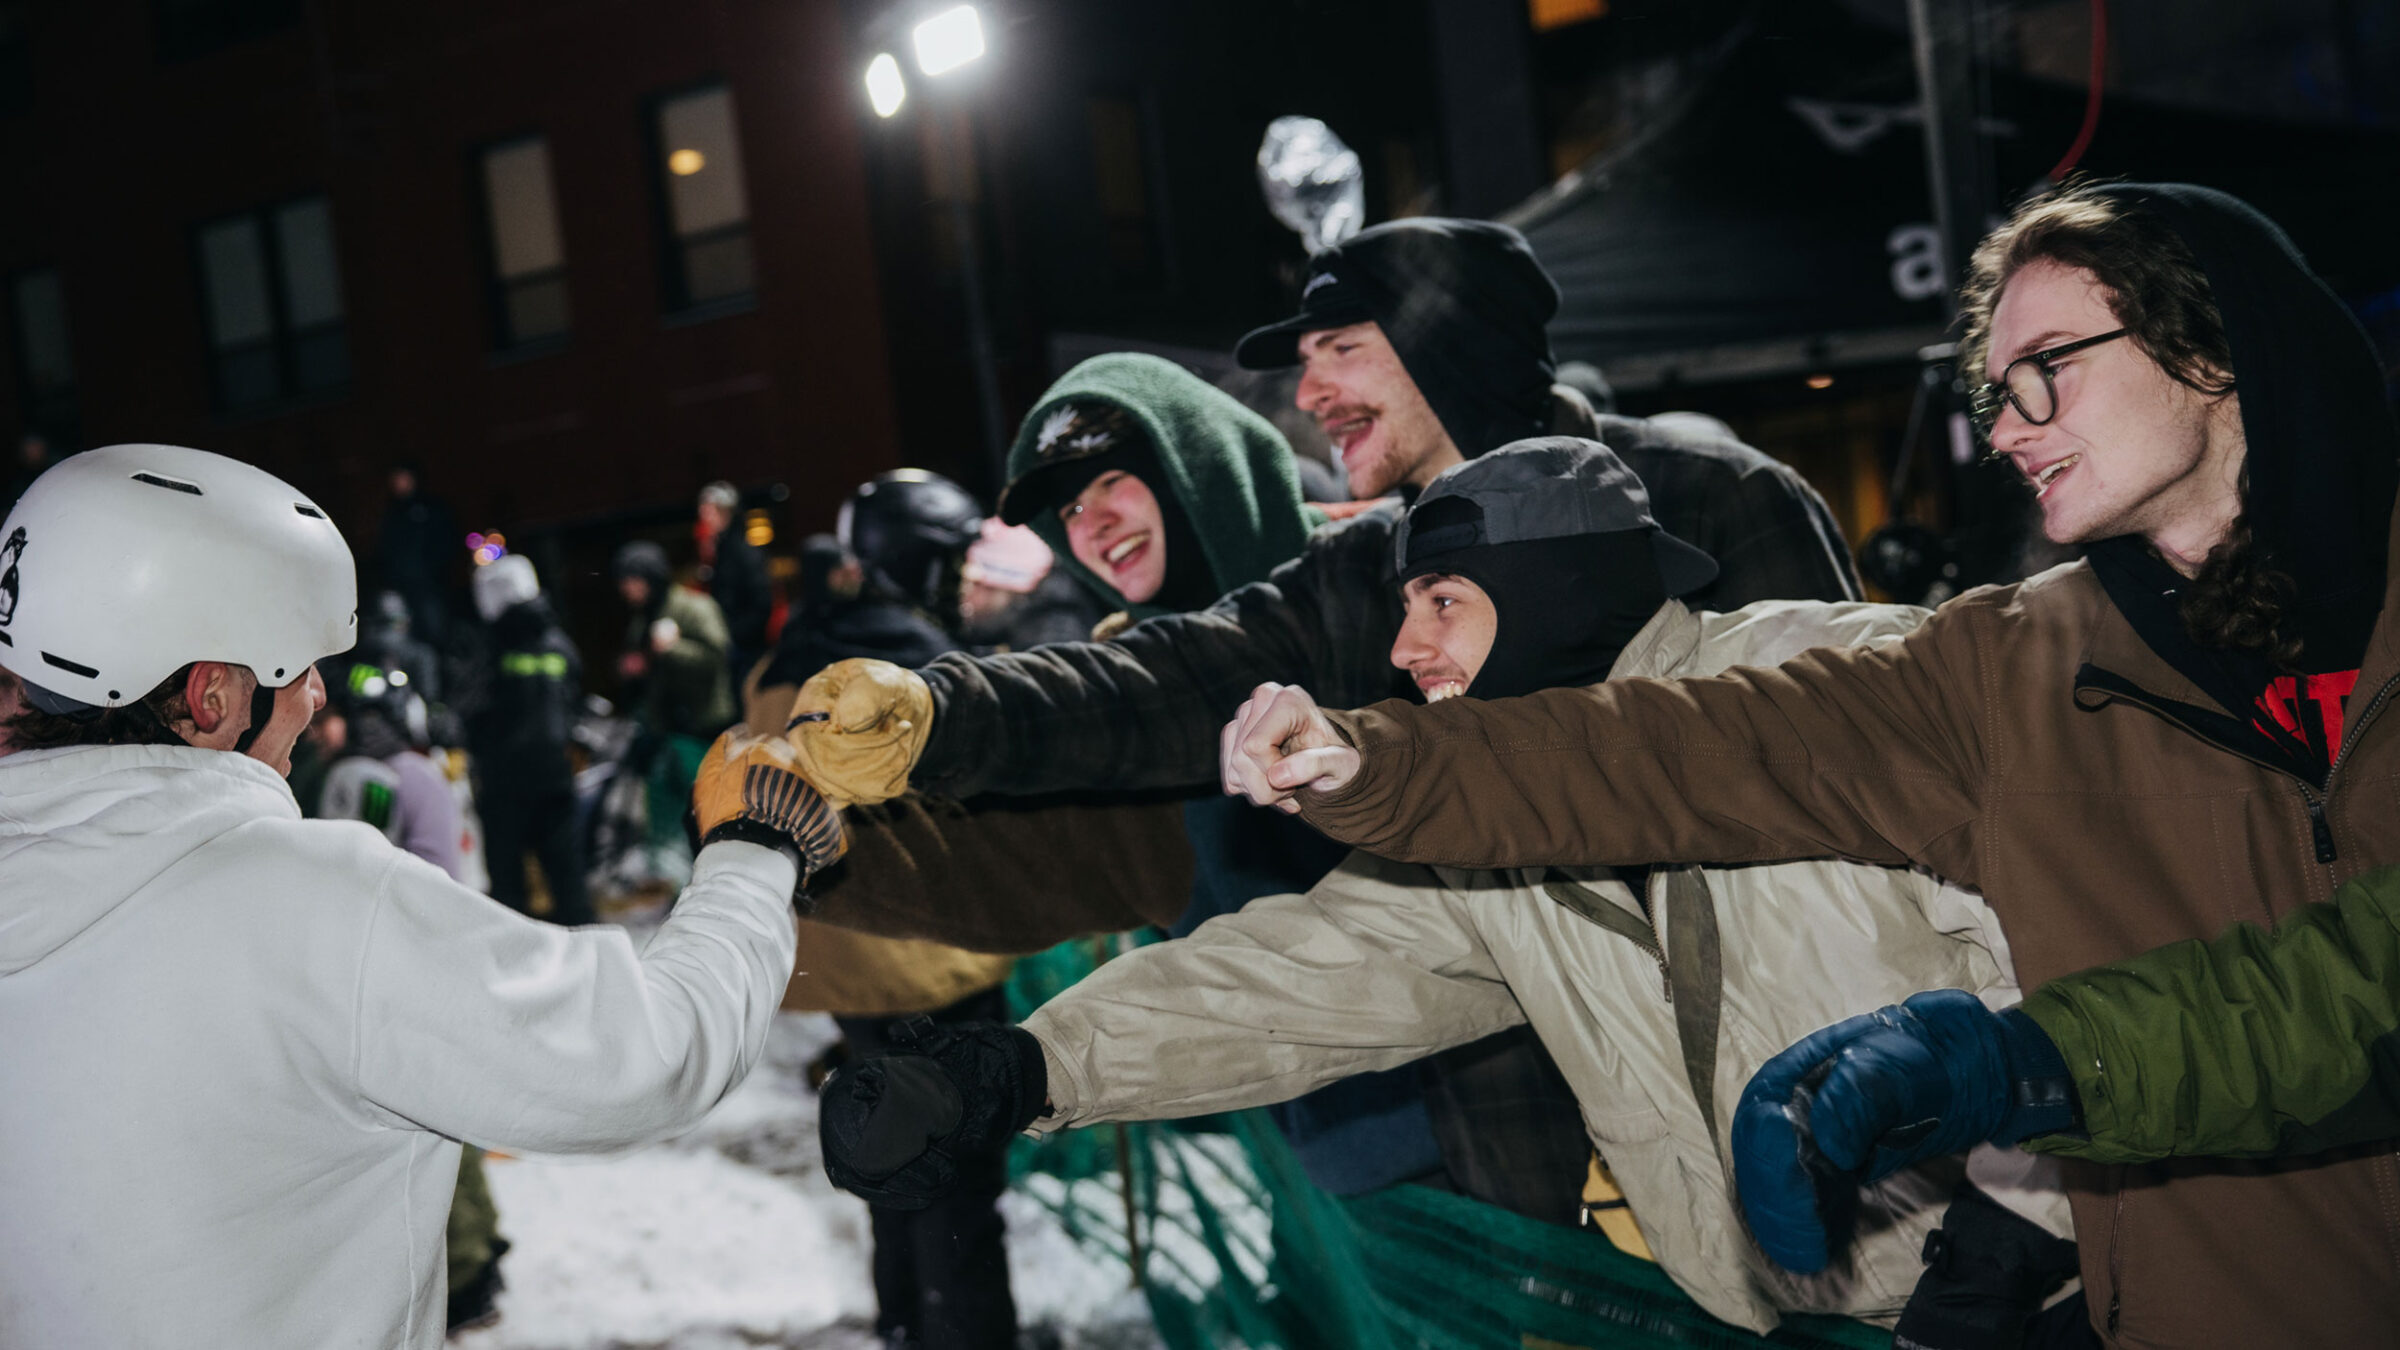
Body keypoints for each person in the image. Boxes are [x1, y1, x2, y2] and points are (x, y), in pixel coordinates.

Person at [1215, 182, 2400, 1348]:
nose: (2004, 427)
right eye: (1993, 391)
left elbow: (2355, 986)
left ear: (2212, 348)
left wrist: (2026, 1063)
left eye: (2050, 365)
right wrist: (1375, 759)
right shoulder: (2011, 664)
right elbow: (1687, 744)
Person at [818, 441, 2073, 1339]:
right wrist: (1023, 1073)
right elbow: (1308, 976)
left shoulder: (1833, 677)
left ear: (1555, 602)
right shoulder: (1498, 818)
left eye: (1443, 605)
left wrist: (2029, 1220)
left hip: (2058, 1299)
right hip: (1792, 1317)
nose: (1407, 649)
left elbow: (2078, 928)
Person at [0, 443, 843, 1348]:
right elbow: (654, 1051)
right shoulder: (310, 904)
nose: (320, 699)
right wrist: (756, 846)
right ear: (210, 698)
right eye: (297, 669)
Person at [783, 216, 1861, 816]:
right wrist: (935, 712)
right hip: (1547, 1142)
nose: (1309, 396)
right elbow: (1175, 679)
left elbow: (1864, 762)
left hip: (1822, 1090)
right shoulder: (1363, 568)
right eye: (1304, 365)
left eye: (1342, 349)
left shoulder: (1718, 498)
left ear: (1458, 346)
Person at [311, 656, 512, 1330]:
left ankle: (467, 1269)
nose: (323, 730)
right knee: (454, 1120)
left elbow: (359, 874)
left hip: (413, 963)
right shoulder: (426, 770)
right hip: (452, 952)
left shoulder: (376, 780)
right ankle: (480, 1250)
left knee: (427, 1127)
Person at [461, 553, 595, 927]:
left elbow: (466, 706)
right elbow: (574, 696)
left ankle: (517, 972)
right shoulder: (558, 642)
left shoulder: (489, 646)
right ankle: (590, 961)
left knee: (508, 890)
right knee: (568, 879)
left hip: (505, 783)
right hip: (556, 773)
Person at [612, 539, 736, 882]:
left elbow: (717, 658)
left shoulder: (693, 607)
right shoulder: (643, 619)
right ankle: (681, 890)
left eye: (632, 579)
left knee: (710, 816)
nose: (627, 589)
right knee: (669, 822)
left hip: (700, 730)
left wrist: (672, 649)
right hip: (664, 733)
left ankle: (720, 884)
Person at [378, 462, 460, 648]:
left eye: (402, 477)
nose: (398, 483)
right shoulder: (392, 513)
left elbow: (445, 540)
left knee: (436, 634)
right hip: (402, 587)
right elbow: (387, 549)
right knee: (408, 639)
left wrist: (437, 570)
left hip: (430, 585)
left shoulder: (431, 508)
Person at [698, 481, 772, 683]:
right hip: (731, 644)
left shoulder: (743, 551)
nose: (705, 518)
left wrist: (734, 635)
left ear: (725, 511)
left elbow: (761, 603)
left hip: (746, 649)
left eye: (709, 511)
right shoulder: (720, 550)